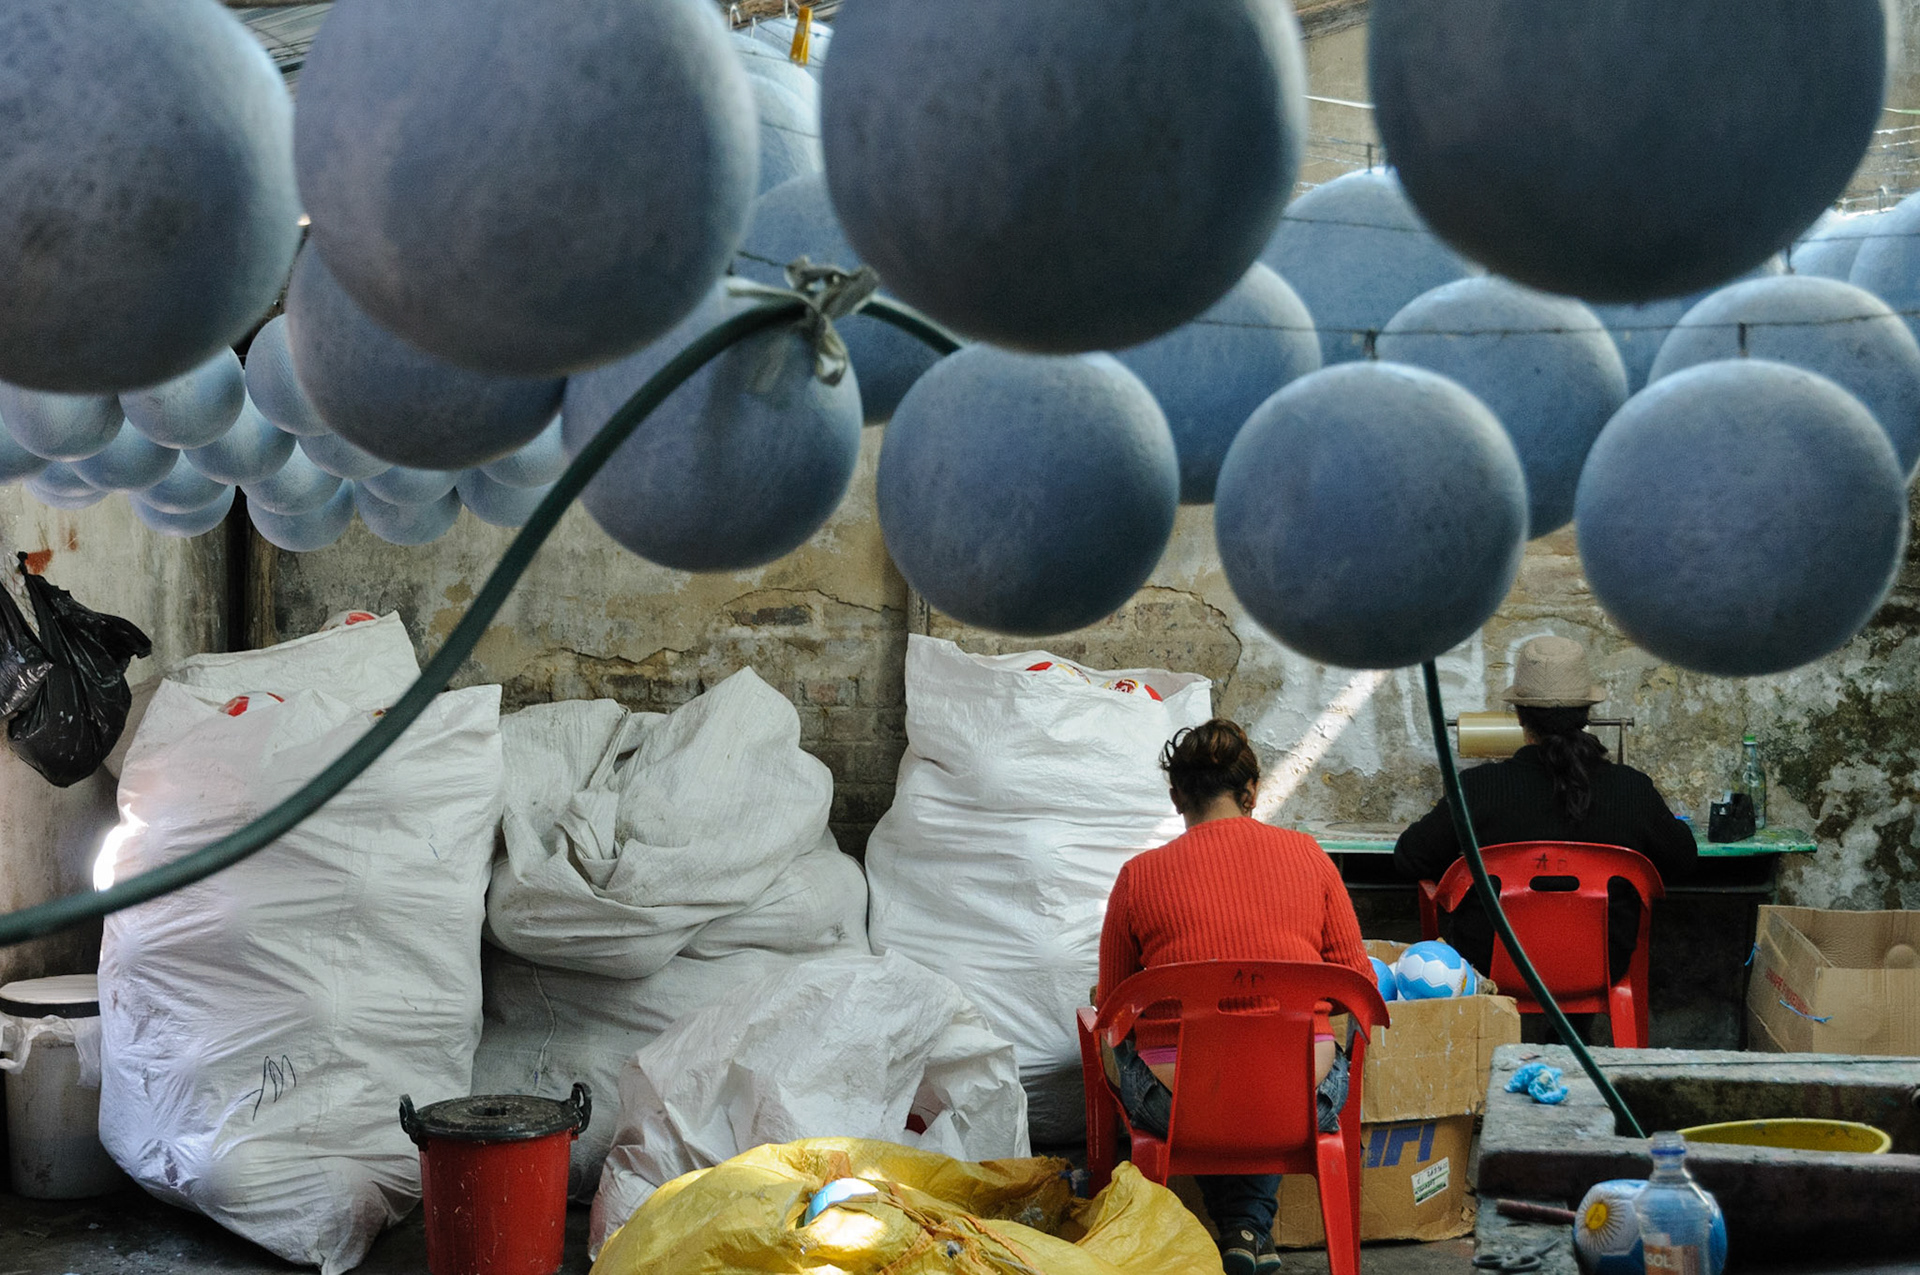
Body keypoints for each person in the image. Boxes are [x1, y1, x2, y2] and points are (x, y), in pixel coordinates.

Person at [1097, 718, 1371, 1275]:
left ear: (1176, 796)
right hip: (1301, 1101)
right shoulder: (1311, 857)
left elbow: (1113, 1009)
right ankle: (1248, 1228)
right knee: (1271, 1056)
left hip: (1180, 1109)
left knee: (1124, 1045)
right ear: (1252, 793)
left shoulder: (1138, 876)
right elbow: (1354, 986)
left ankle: (1235, 1228)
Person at [1394, 635, 1697, 1023]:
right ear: (1587, 712)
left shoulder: (1478, 790)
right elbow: (1685, 861)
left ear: (1519, 716)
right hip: (1602, 966)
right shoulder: (1631, 790)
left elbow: (1407, 857)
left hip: (1491, 966)